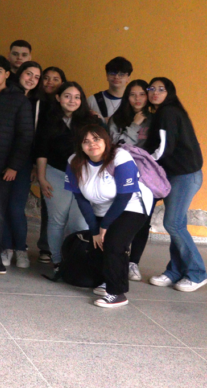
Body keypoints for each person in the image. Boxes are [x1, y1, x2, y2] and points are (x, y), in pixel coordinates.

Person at [66, 124, 154, 307]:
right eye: (86, 141)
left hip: (132, 205)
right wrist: (94, 229)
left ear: (106, 140)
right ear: (80, 145)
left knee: (114, 243)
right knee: (97, 243)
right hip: (101, 207)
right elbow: (80, 198)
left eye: (96, 139)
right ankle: (108, 280)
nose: (92, 144)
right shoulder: (74, 162)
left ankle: (117, 293)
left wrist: (104, 226)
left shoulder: (120, 157)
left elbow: (124, 196)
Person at [144, 78, 206, 292]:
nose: (155, 92)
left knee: (173, 224)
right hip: (176, 175)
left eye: (161, 89)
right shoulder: (164, 113)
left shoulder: (168, 112)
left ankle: (197, 273)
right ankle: (175, 271)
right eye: (152, 88)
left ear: (169, 92)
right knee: (177, 223)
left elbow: (164, 148)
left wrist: (142, 161)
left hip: (185, 176)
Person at [0, 55, 34, 274]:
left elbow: (25, 136)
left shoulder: (19, 100)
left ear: (7, 74)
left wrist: (14, 166)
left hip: (1, 166)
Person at [35, 81, 97, 268]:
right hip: (56, 174)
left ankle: (76, 261)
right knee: (57, 220)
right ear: (58, 98)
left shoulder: (90, 121)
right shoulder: (48, 120)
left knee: (80, 221)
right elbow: (41, 151)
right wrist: (42, 178)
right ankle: (57, 261)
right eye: (67, 96)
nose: (72, 101)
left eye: (77, 97)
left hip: (84, 177)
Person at [107, 80, 150, 281]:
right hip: (122, 173)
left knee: (143, 220)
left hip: (148, 177)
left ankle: (134, 262)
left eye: (142, 94)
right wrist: (135, 125)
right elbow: (116, 146)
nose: (137, 99)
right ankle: (119, 257)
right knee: (120, 217)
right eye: (133, 94)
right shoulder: (117, 119)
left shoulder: (155, 119)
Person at [2, 60, 42, 268]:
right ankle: (6, 248)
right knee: (3, 206)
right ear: (19, 74)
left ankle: (20, 248)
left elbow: (34, 137)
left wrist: (34, 164)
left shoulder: (39, 102)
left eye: (36, 77)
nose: (32, 79)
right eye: (28, 74)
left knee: (16, 207)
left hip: (24, 162)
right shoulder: (6, 95)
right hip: (3, 159)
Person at [34, 66, 67, 264]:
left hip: (64, 166)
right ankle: (46, 247)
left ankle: (64, 248)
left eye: (55, 79)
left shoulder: (68, 105)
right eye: (46, 78)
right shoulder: (35, 101)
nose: (50, 82)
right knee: (49, 206)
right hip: (42, 161)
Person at [88, 56, 133, 122]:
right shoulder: (92, 100)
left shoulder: (133, 100)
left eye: (121, 74)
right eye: (112, 73)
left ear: (128, 78)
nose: (116, 77)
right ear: (107, 75)